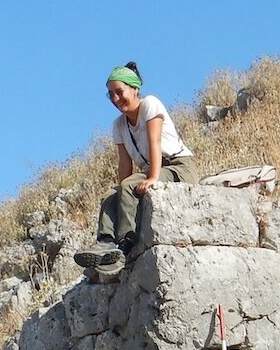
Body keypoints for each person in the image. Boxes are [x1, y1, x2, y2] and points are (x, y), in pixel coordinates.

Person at [73, 61, 198, 273]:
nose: (115, 99)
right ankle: (105, 242)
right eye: (110, 94)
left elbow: (154, 142)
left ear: (134, 89)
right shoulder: (118, 125)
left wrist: (153, 178)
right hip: (152, 169)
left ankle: (124, 247)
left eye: (119, 92)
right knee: (112, 193)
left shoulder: (150, 104)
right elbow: (124, 164)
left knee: (130, 185)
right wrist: (119, 192)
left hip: (179, 167)